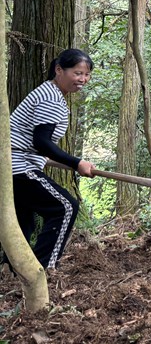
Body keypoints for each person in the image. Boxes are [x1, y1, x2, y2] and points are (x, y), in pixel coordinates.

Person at [10, 48, 96, 270]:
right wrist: (77, 163)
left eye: (86, 74)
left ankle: (14, 270)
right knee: (65, 207)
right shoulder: (50, 98)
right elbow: (41, 142)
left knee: (23, 222)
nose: (83, 79)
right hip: (17, 164)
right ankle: (41, 270)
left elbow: (36, 142)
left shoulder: (50, 93)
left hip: (16, 161)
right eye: (77, 73)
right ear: (59, 70)